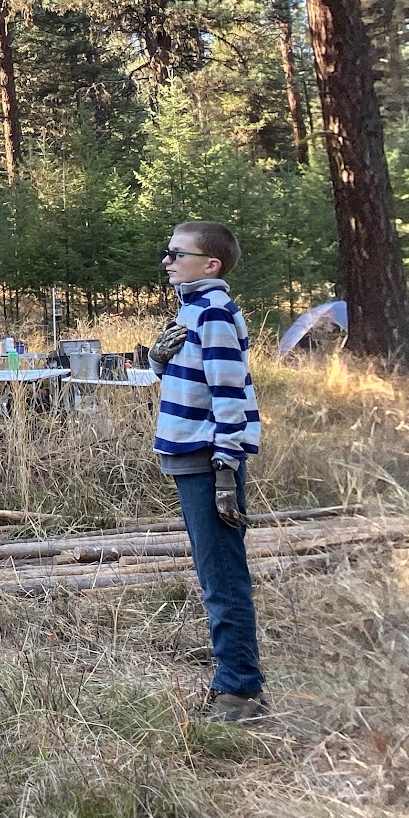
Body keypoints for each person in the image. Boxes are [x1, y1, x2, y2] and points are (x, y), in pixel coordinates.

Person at [149, 220, 266, 723]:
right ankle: (232, 679)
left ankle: (240, 690)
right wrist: (158, 360)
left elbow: (229, 393)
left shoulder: (214, 312)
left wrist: (226, 467)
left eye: (177, 253)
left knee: (221, 574)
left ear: (210, 264)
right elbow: (189, 377)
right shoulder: (192, 310)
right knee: (210, 569)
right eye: (167, 252)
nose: (167, 261)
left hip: (208, 458)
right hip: (189, 455)